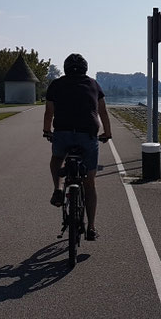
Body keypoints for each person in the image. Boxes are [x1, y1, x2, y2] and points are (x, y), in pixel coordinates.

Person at [43, 53, 112, 241]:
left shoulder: (56, 85)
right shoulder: (93, 84)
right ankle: (91, 227)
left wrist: (46, 131)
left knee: (57, 159)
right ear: (85, 68)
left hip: (63, 132)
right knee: (89, 183)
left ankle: (58, 189)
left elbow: (49, 112)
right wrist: (107, 133)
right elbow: (102, 111)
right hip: (87, 133)